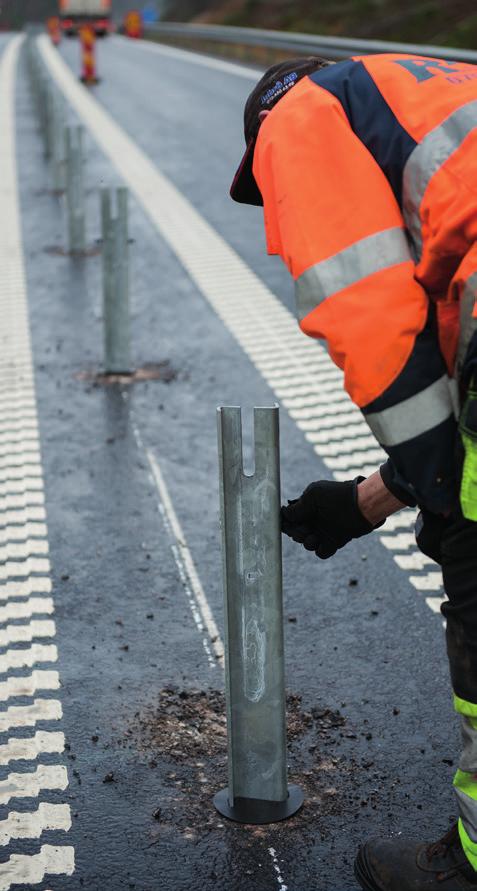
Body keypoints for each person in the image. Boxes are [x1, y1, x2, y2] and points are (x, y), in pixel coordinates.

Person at [230, 53, 477, 891]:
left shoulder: (298, 116)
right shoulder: (435, 90)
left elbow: (367, 310)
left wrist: (440, 496)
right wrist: (373, 500)